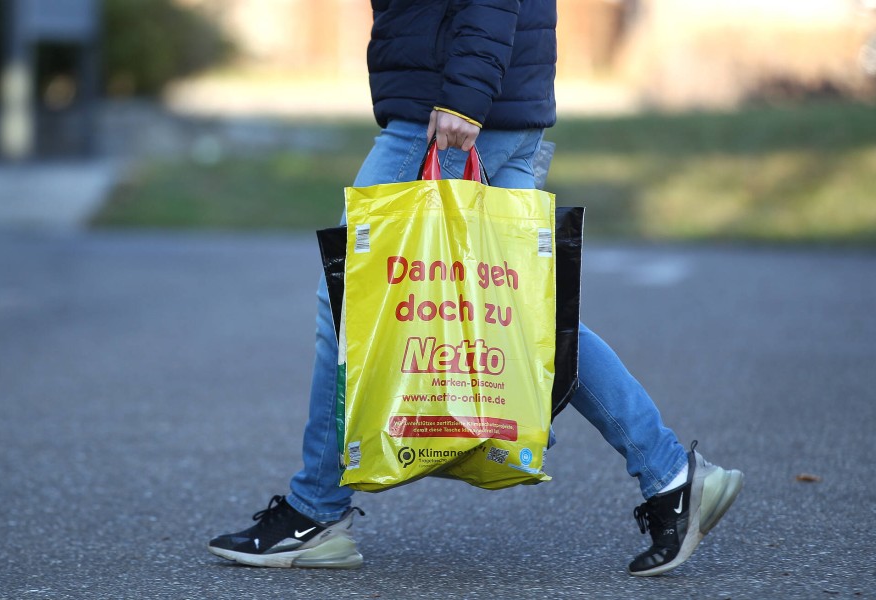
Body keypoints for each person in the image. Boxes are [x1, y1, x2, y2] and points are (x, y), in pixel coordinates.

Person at [207, 0, 743, 577]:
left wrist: (464, 95)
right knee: (526, 316)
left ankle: (315, 512)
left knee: (349, 300)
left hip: (452, 111)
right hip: (499, 103)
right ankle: (672, 479)